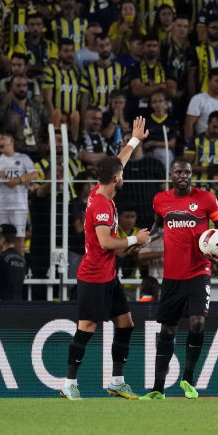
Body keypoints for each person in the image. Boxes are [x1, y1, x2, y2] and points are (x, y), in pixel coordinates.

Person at [60, 117, 151, 401]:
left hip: (108, 275)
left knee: (125, 323)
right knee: (87, 328)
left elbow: (118, 162)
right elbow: (105, 242)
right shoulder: (101, 204)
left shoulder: (102, 189)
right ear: (115, 179)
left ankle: (117, 382)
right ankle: (68, 384)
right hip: (94, 276)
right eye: (121, 174)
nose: (123, 176)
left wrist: (134, 140)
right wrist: (135, 239)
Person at [141, 158, 218, 400]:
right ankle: (158, 389)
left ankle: (188, 380)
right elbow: (158, 226)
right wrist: (144, 239)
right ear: (171, 175)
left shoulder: (206, 199)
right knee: (168, 330)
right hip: (172, 276)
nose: (183, 176)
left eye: (187, 172)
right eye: (179, 172)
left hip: (199, 271)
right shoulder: (160, 200)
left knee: (198, 323)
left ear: (191, 175)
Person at [0, 224, 26, 300]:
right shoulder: (22, 259)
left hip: (3, 302)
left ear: (2, 240)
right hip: (18, 301)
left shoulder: (1, 258)